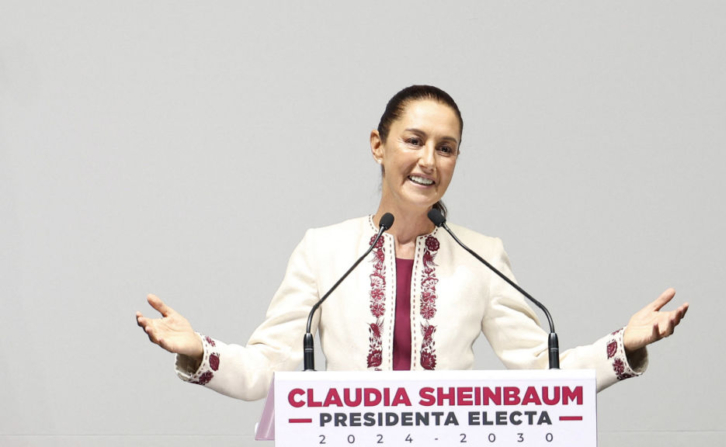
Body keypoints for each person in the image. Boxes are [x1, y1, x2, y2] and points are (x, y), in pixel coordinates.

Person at [136, 85, 688, 401]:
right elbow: (266, 370)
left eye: (446, 148)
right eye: (415, 140)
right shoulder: (323, 250)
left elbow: (542, 376)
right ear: (379, 144)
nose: (429, 160)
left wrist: (623, 347)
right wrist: (199, 350)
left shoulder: (482, 255)